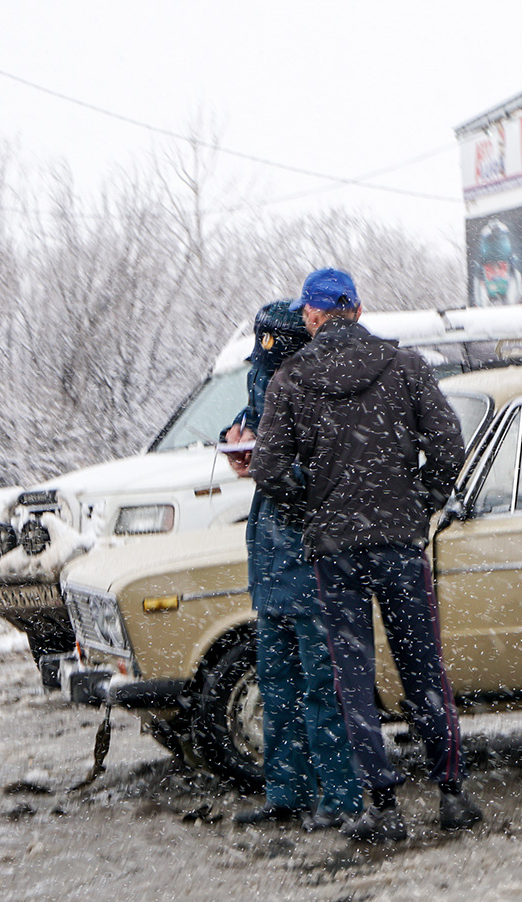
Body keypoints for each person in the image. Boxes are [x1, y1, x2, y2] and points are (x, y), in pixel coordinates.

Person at [251, 268, 480, 843]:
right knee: (423, 664)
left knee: (351, 676)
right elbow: (450, 446)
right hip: (400, 542)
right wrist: (421, 501)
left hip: (335, 552)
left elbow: (269, 469)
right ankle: (450, 792)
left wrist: (314, 513)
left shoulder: (291, 378)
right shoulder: (404, 366)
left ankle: (381, 804)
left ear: (312, 314)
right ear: (356, 307)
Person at [222, 301, 362, 832]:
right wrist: (239, 440)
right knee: (277, 686)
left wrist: (270, 466)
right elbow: (249, 426)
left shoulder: (323, 389)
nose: (266, 375)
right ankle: (287, 792)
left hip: (312, 560)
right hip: (272, 562)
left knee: (324, 687)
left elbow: (323, 474)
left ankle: (341, 798)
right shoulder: (266, 379)